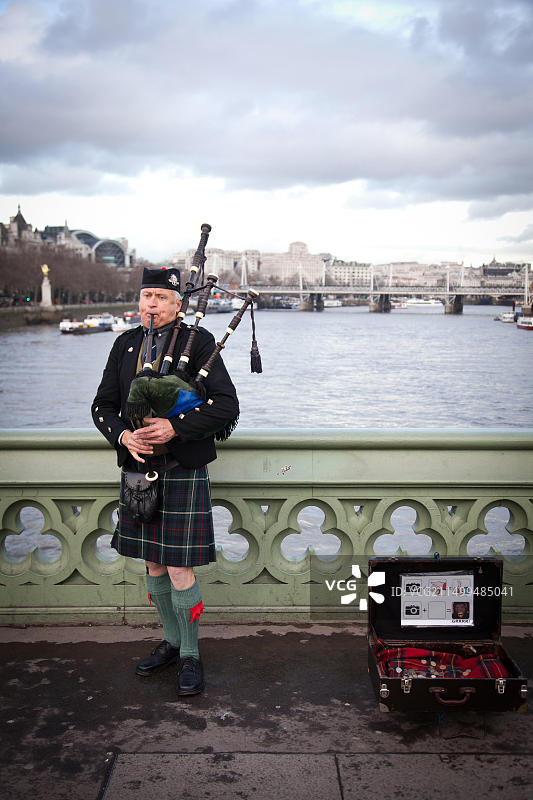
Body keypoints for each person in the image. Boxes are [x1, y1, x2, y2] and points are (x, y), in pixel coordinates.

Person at [92, 267, 239, 695]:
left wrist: (175, 429)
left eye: (160, 296)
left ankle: (191, 654)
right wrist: (123, 434)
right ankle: (172, 642)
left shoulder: (200, 343)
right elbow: (103, 404)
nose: (151, 304)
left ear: (178, 303)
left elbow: (225, 405)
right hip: (139, 470)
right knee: (153, 563)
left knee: (179, 567)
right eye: (146, 296)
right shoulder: (124, 344)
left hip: (181, 468)